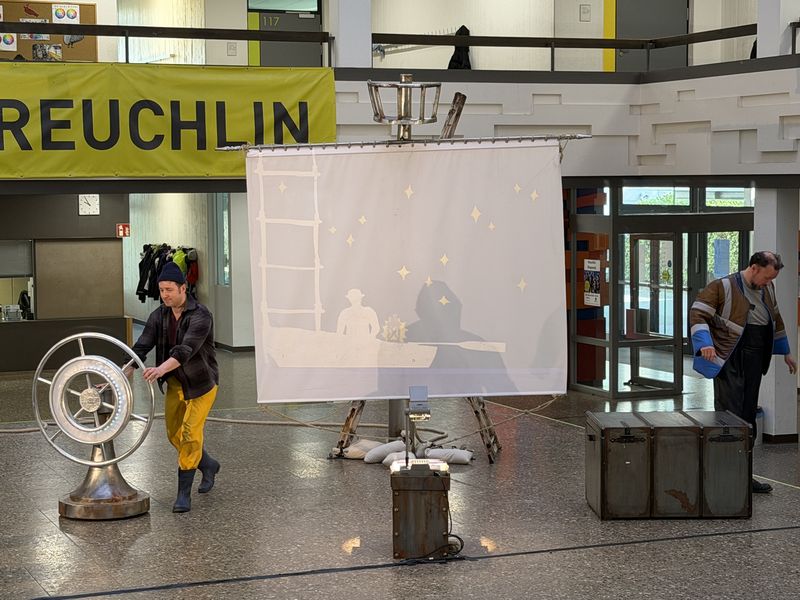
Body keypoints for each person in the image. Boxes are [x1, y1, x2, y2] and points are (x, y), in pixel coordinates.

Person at [690, 251, 797, 493]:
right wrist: (705, 343)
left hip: (756, 356)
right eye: (766, 277)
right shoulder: (722, 286)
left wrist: (787, 352)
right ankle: (722, 476)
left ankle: (744, 476)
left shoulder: (767, 290)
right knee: (730, 416)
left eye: (772, 280)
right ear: (754, 267)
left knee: (748, 415)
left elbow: (776, 320)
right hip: (730, 357)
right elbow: (698, 313)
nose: (768, 283)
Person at [129, 261, 220, 512]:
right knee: (174, 434)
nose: (165, 295)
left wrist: (159, 369)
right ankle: (208, 463)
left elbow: (185, 350)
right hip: (176, 384)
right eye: (161, 290)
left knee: (191, 434)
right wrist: (123, 369)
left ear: (183, 288)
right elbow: (142, 346)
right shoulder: (158, 315)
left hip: (202, 385)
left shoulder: (201, 315)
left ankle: (183, 495)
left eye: (169, 289)